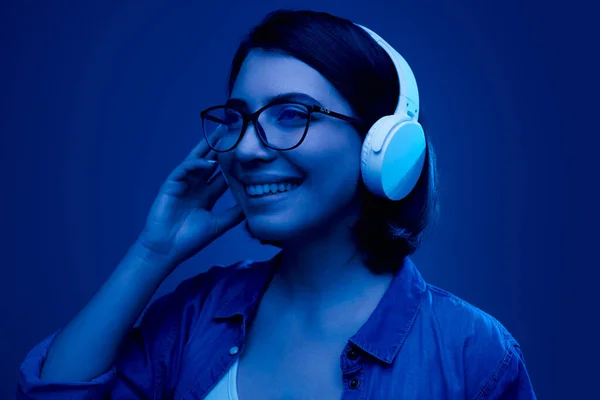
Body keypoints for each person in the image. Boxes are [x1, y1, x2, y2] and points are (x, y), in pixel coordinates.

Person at [18, 9, 536, 400]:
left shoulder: (473, 354)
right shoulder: (196, 315)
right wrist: (154, 252)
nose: (244, 148)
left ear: (384, 147)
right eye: (239, 118)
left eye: (291, 114)